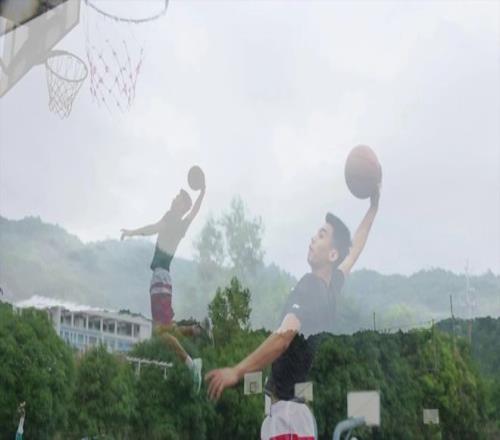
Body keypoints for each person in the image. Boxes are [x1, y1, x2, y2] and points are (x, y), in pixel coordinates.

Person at [205, 186, 380, 438]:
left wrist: (237, 371)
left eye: (321, 235)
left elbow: (282, 338)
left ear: (332, 254)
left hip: (285, 418)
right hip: (295, 416)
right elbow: (353, 251)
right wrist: (373, 208)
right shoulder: (330, 288)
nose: (313, 238)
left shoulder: (310, 287)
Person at [121, 182, 207, 391]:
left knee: (160, 332)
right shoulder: (182, 224)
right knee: (168, 328)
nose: (174, 199)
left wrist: (132, 232)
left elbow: (152, 228)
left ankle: (191, 364)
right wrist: (203, 191)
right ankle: (198, 330)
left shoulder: (170, 219)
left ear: (182, 206)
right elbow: (195, 212)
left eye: (178, 198)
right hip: (164, 279)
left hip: (160, 279)